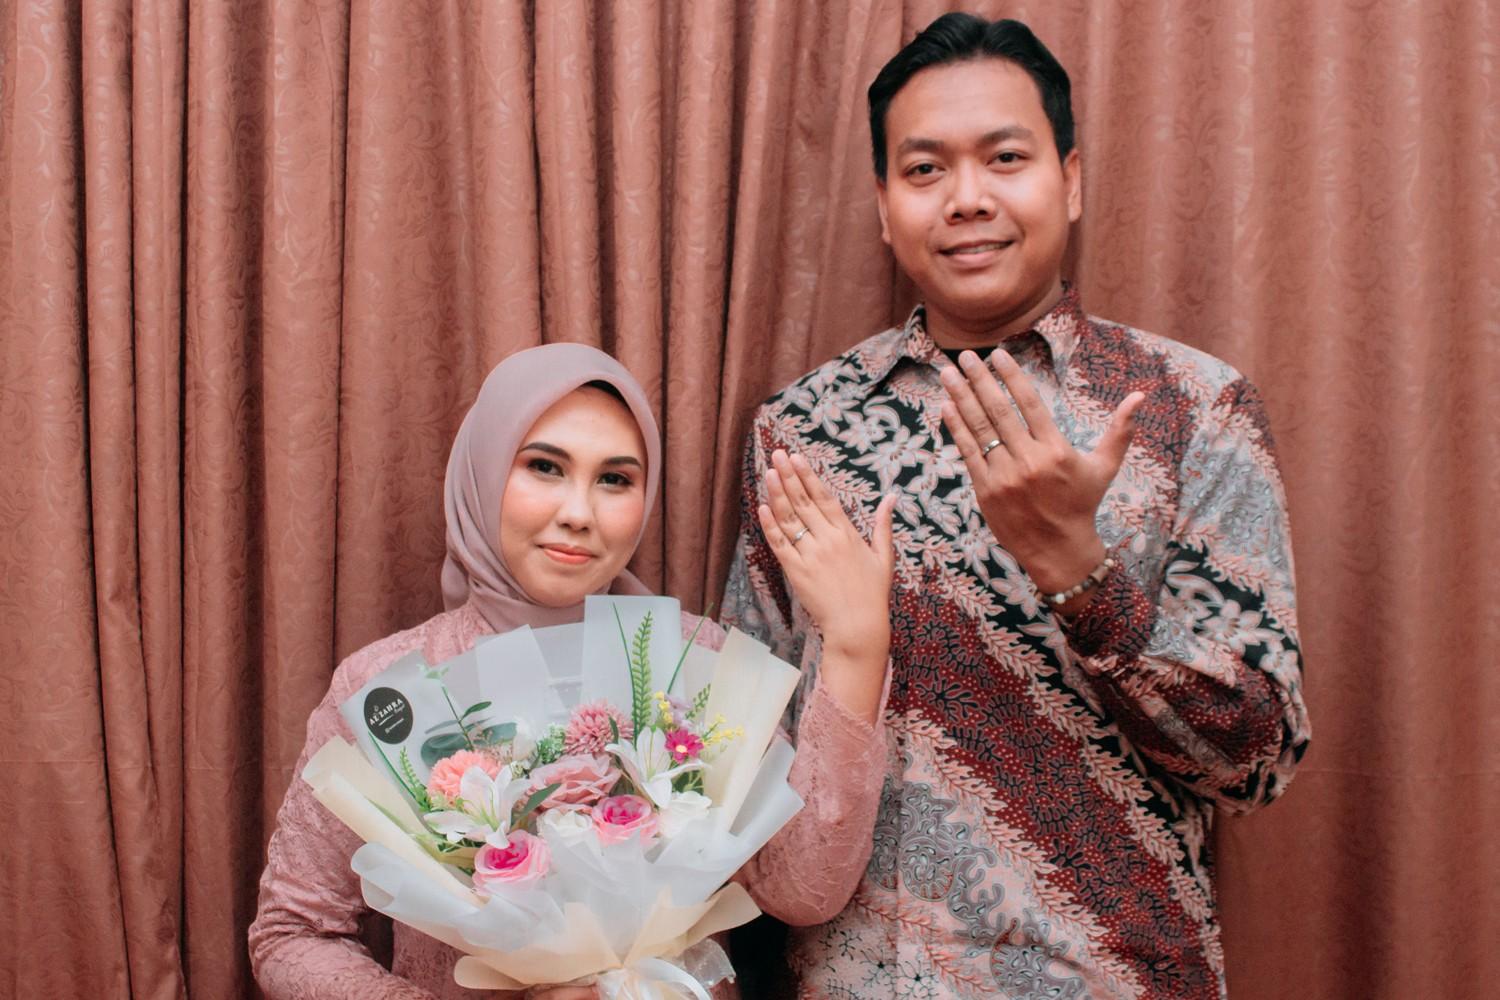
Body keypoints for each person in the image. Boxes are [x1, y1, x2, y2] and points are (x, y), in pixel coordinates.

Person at [723, 13, 1311, 1000]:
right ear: (883, 205)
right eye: (925, 170)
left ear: (1069, 181)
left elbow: (1256, 760)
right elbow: (740, 757)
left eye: (1005, 158)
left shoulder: (1188, 408)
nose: (967, 198)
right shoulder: (802, 428)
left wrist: (1079, 573)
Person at [249, 343, 897, 999]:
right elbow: (291, 935)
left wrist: (856, 648)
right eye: (544, 467)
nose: (579, 514)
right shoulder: (390, 686)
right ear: (482, 472)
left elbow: (803, 890)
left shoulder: (690, 661)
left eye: (615, 479)